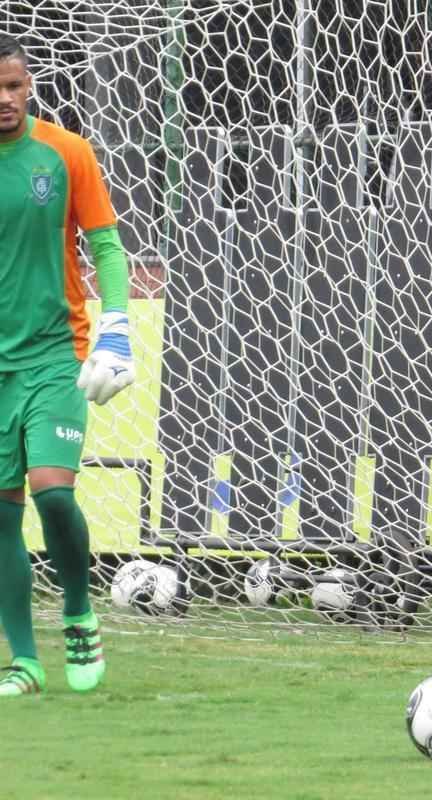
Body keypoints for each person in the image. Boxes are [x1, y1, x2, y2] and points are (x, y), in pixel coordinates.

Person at [0, 35, 135, 697]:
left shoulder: (66, 151)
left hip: (56, 352)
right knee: (1, 515)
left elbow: (106, 245)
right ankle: (23, 660)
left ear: (29, 87)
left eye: (14, 87)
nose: (4, 100)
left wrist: (116, 326)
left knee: (54, 493)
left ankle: (79, 612)